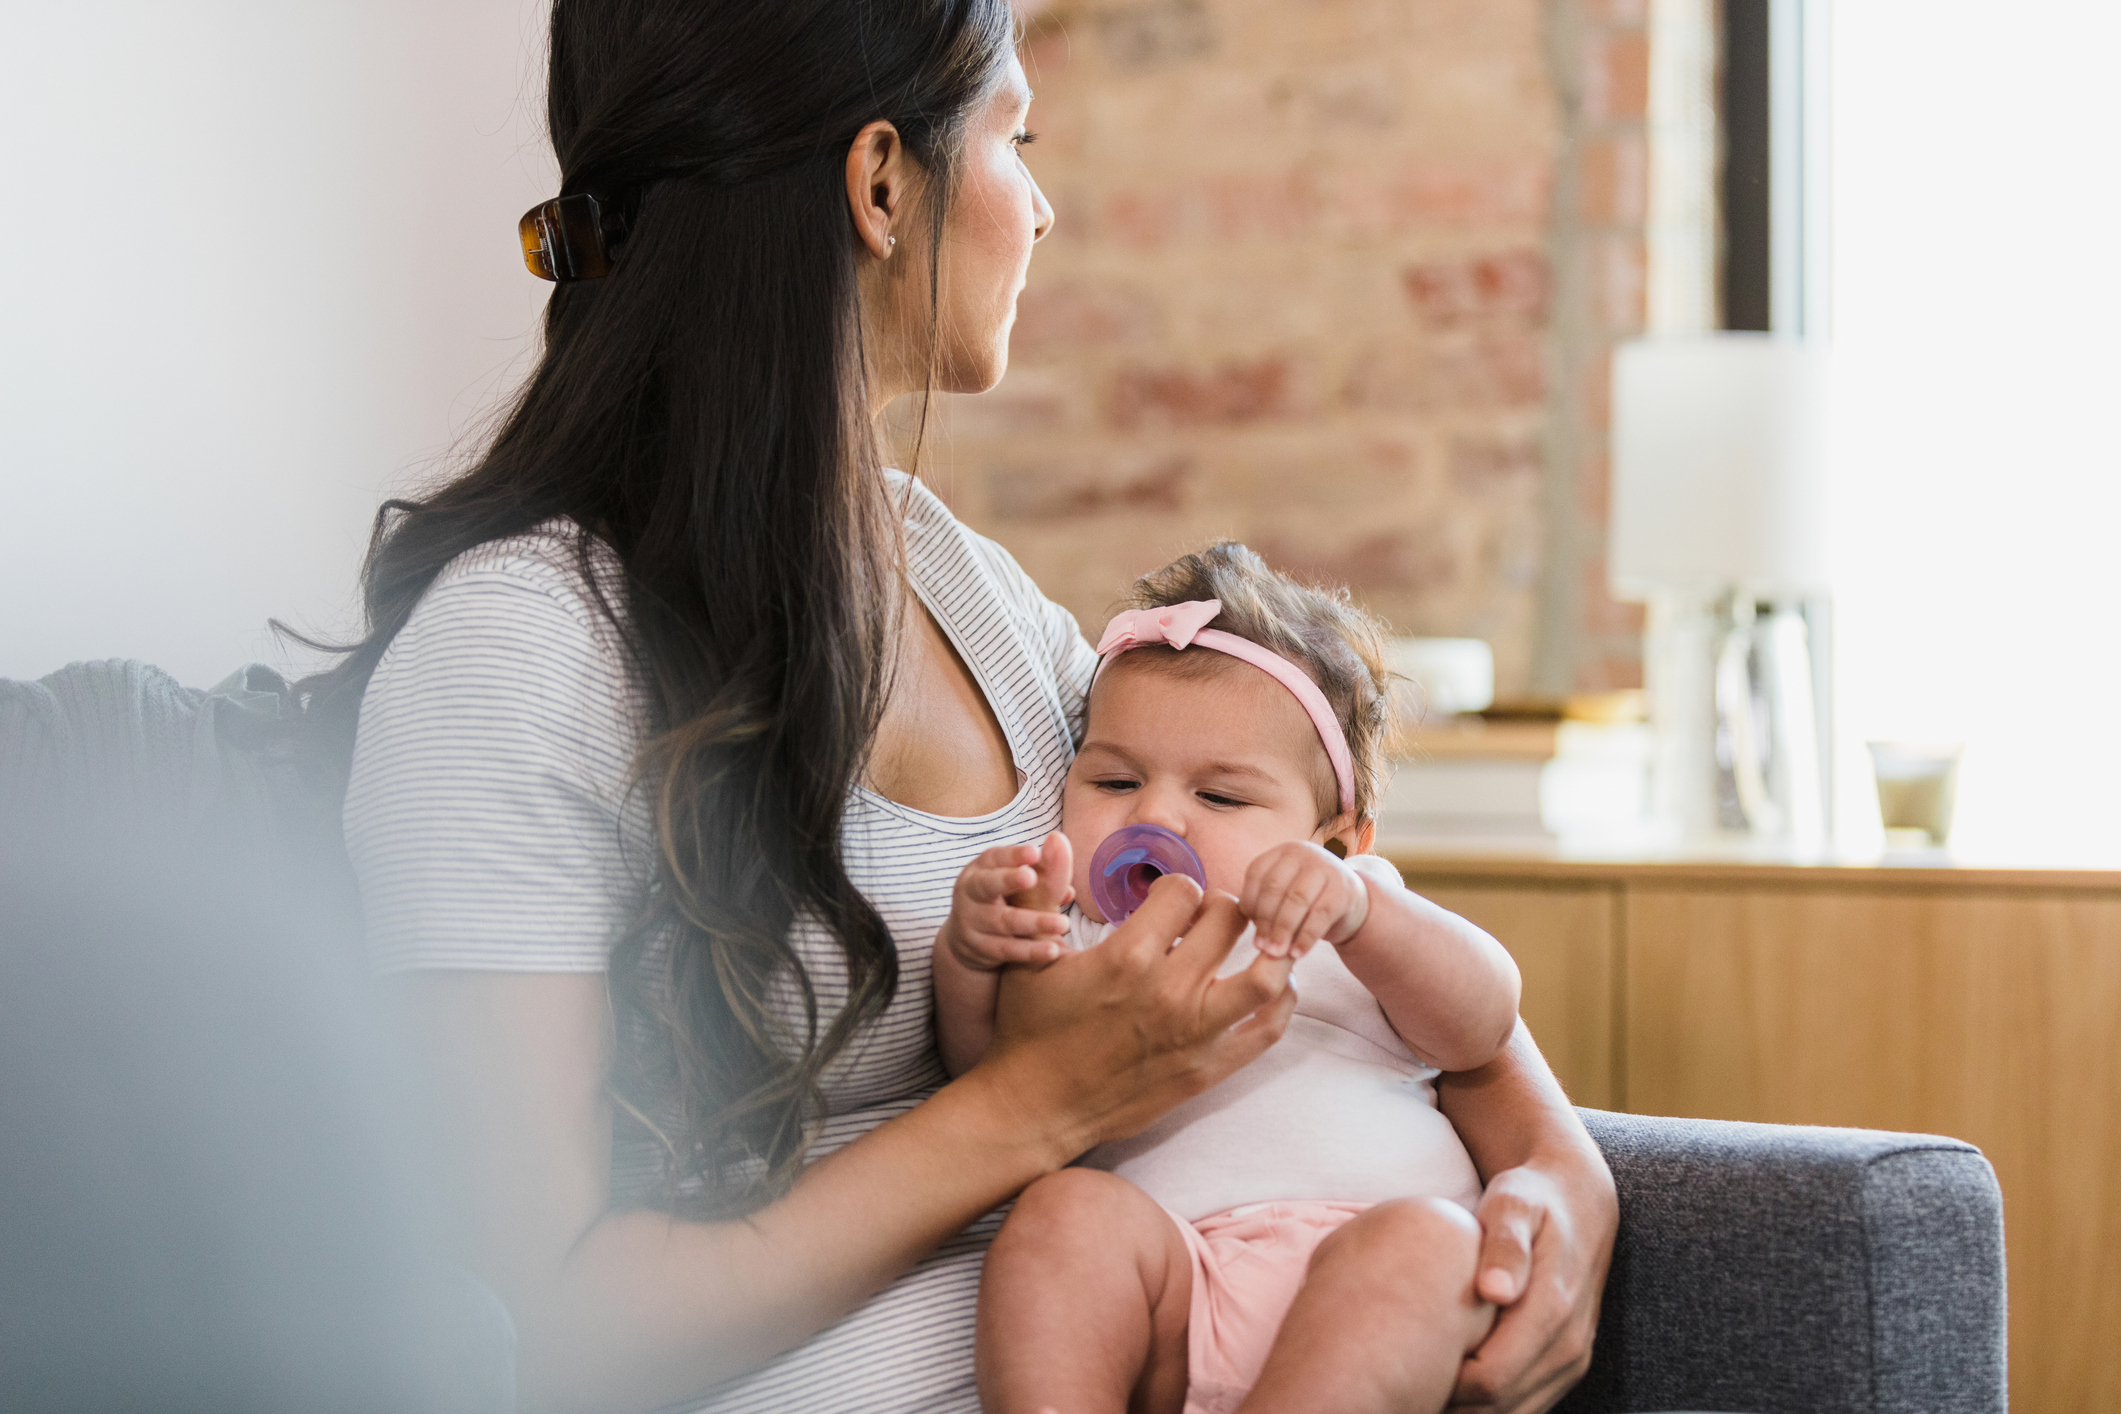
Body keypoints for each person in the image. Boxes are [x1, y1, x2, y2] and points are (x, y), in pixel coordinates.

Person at [303, 2, 1618, 1410]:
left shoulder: (968, 590)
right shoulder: (520, 651)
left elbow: (1357, 961)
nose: (1040, 207)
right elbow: (547, 1326)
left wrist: (1561, 1171)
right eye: (1016, 136)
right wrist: (1041, 1101)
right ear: (881, 184)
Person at [937, 546, 1523, 1414]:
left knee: (1430, 1242)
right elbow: (986, 1070)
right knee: (1062, 1218)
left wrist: (1365, 919)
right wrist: (971, 954)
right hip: (1171, 1277)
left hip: (1359, 1272)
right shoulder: (1076, 927)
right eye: (1115, 779)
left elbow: (1482, 1022)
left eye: (1220, 799)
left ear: (1338, 836)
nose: (1153, 815)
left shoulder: (1355, 916)